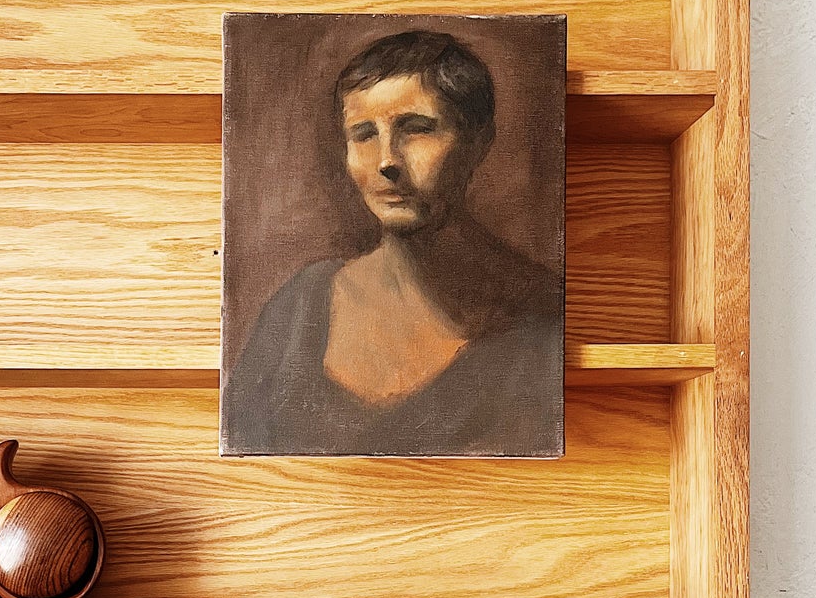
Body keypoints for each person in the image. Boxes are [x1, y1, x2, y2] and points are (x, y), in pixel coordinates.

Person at [223, 29, 562, 456]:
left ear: (477, 142)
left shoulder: (541, 322)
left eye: (417, 129)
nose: (386, 161)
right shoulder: (299, 308)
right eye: (364, 134)